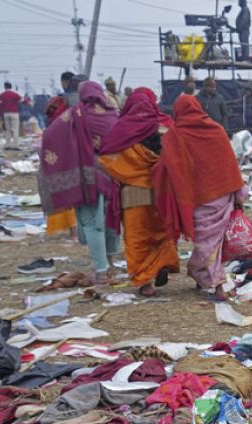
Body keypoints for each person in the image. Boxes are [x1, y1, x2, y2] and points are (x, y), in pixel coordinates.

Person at [153, 95, 247, 301]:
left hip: (193, 197)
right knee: (211, 242)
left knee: (206, 242)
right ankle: (208, 278)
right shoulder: (216, 130)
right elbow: (230, 164)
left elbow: (167, 167)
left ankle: (217, 283)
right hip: (220, 195)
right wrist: (239, 194)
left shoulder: (174, 136)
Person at [98, 88, 181, 296]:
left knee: (137, 238)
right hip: (162, 191)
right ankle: (161, 263)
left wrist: (129, 171)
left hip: (132, 194)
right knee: (162, 232)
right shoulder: (165, 126)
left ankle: (145, 283)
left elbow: (107, 160)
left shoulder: (120, 130)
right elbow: (178, 156)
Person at [38, 81, 120, 282]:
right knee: (110, 221)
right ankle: (109, 264)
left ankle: (100, 272)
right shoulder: (113, 115)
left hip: (87, 176)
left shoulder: (75, 115)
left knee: (92, 223)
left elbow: (50, 136)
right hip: (112, 174)